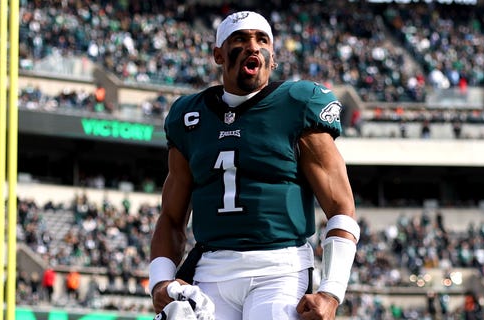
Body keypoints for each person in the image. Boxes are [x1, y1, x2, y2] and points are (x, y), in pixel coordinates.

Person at [149, 10, 359, 320]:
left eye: (262, 40)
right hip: (212, 268)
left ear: (272, 58)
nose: (252, 46)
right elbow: (171, 216)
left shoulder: (297, 104)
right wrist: (160, 283)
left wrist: (331, 292)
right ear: (218, 54)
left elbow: (341, 206)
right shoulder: (189, 116)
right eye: (240, 38)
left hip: (279, 268)